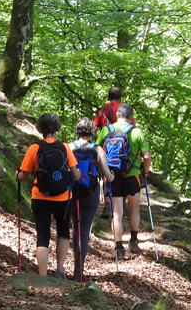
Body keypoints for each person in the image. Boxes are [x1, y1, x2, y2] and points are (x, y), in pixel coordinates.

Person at [16, 113, 81, 279]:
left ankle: (43, 276)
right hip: (63, 197)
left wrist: (17, 175)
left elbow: (23, 177)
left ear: (40, 129)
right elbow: (76, 175)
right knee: (63, 232)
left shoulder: (34, 148)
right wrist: (78, 173)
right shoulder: (65, 147)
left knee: (43, 234)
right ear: (56, 128)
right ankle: (60, 269)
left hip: (40, 197)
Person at [95, 103, 151, 260]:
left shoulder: (106, 130)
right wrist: (145, 171)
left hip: (112, 177)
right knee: (134, 209)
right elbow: (146, 157)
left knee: (117, 213)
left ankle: (119, 248)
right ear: (131, 116)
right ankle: (133, 242)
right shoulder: (136, 132)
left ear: (117, 115)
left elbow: (97, 149)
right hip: (132, 176)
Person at [68, 118, 115, 282]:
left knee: (76, 227)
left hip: (72, 193)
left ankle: (73, 268)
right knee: (85, 229)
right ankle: (78, 271)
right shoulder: (98, 149)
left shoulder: (70, 147)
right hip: (90, 193)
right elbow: (108, 176)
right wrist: (113, 175)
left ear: (77, 131)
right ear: (92, 132)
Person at [94, 87, 135, 219]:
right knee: (122, 172)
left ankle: (107, 203)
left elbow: (94, 128)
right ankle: (122, 205)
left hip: (107, 148)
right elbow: (133, 128)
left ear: (108, 96)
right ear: (120, 97)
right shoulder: (125, 111)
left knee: (107, 173)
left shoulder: (102, 112)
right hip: (123, 151)